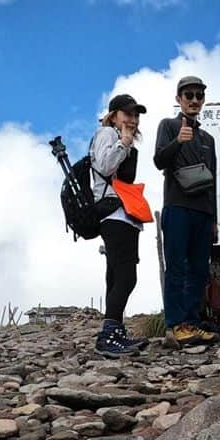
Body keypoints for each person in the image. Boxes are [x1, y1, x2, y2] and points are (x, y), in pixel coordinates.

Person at [154, 75, 219, 345]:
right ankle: (175, 325)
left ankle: (192, 323)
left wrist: (214, 219)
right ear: (178, 99)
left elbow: (212, 180)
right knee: (177, 267)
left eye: (199, 96)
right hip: (177, 206)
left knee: (198, 270)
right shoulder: (168, 126)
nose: (194, 100)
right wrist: (178, 141)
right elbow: (159, 161)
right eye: (188, 95)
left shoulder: (208, 139)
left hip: (203, 211)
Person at [90, 93, 149, 357]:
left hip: (123, 216)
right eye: (127, 114)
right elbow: (104, 164)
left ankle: (115, 332)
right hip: (115, 215)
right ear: (114, 115)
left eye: (136, 115)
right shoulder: (108, 134)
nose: (133, 119)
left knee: (116, 275)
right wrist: (124, 140)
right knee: (126, 275)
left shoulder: (117, 137)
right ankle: (109, 335)